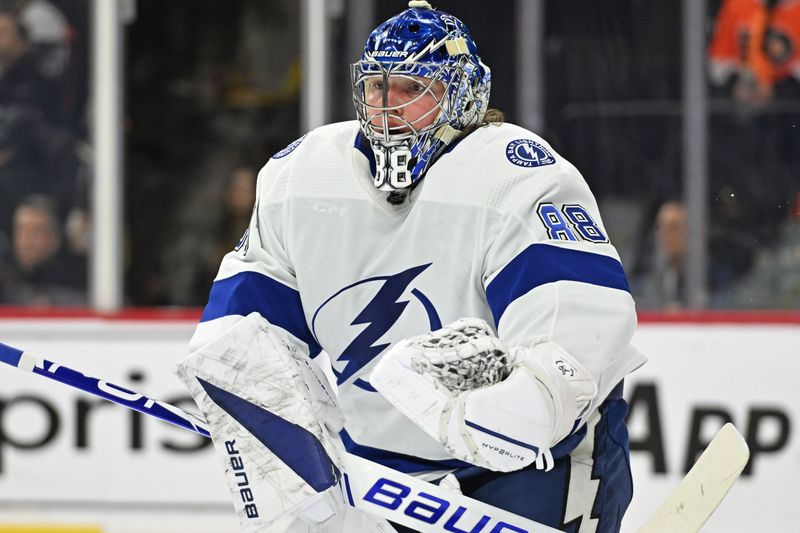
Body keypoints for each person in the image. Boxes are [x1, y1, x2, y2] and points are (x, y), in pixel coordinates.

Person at [176, 2, 645, 532]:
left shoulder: (514, 175)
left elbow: (580, 320)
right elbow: (240, 333)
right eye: (377, 89)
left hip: (535, 463)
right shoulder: (302, 177)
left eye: (412, 88)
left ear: (462, 95)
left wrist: (523, 407)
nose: (388, 109)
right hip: (381, 471)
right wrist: (272, 434)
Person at [0, 194, 86, 306]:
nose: (27, 241)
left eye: (37, 231)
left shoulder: (77, 279)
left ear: (56, 238)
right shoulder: (5, 279)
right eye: (21, 231)